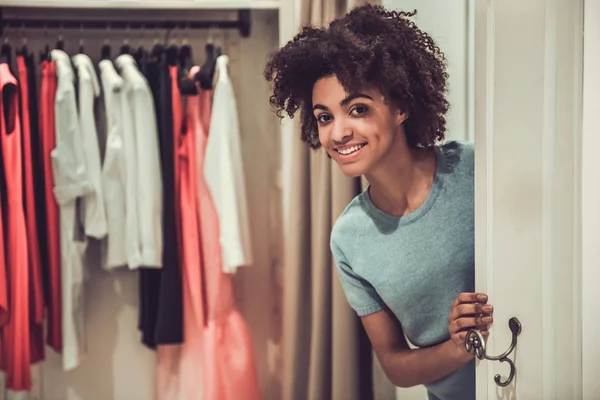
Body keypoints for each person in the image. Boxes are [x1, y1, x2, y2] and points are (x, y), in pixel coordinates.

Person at [264, 4, 493, 400]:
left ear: (401, 106)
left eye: (357, 109)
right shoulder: (349, 238)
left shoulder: (475, 168)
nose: (338, 132)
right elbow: (395, 365)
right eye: (324, 117)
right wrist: (457, 347)